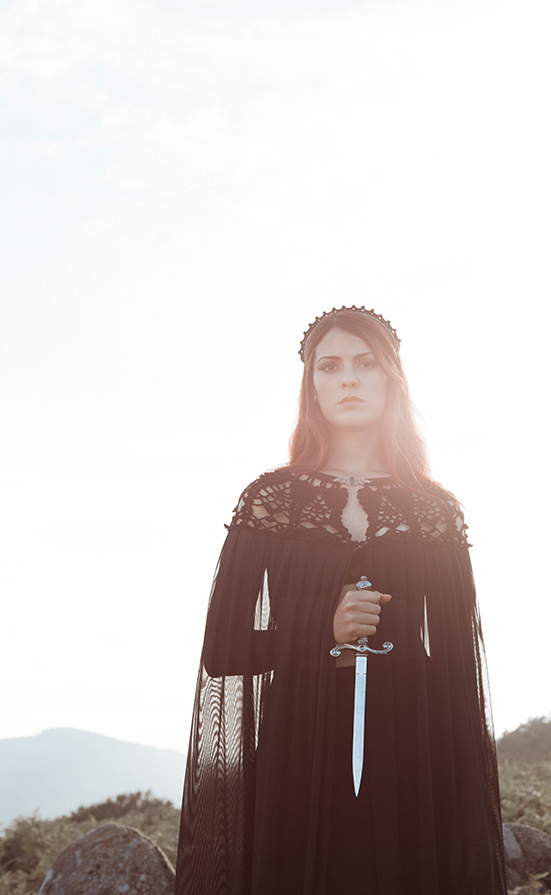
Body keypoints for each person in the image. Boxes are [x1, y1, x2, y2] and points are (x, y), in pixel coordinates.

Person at [174, 306, 507, 895]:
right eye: (329, 367)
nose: (347, 379)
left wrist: (465, 806)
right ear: (312, 386)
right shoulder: (270, 500)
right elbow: (223, 649)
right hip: (299, 739)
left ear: (392, 379)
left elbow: (459, 664)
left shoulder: (433, 509)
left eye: (365, 363)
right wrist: (320, 630)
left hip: (415, 739)